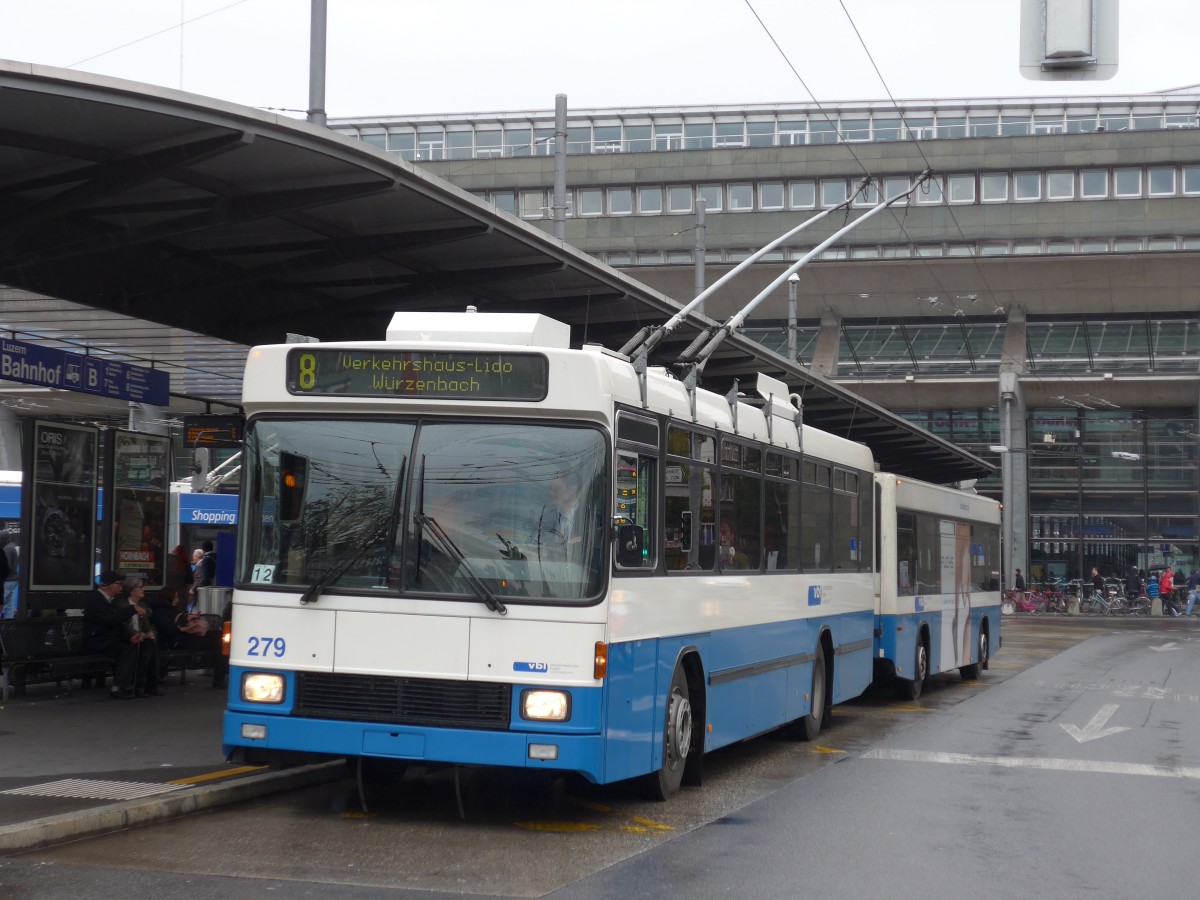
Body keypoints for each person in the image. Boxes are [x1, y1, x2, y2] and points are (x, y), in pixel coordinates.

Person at [82, 570, 147, 699]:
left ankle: (128, 684)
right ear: (108, 585)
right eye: (118, 584)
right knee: (126, 649)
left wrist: (130, 636)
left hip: (107, 640)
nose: (121, 587)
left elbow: (117, 624)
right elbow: (110, 619)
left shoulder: (110, 600)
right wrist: (132, 609)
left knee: (136, 645)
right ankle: (118, 687)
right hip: (96, 641)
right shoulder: (96, 600)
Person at [119, 576, 164, 696]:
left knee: (151, 646)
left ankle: (149, 685)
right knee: (146, 648)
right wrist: (137, 634)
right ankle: (140, 686)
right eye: (140, 588)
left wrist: (148, 632)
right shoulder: (122, 605)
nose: (143, 590)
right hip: (127, 637)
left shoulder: (143, 605)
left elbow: (146, 625)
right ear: (132, 590)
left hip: (141, 636)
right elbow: (122, 625)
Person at [0, 529, 17, 618]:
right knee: (9, 606)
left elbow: (6, 566)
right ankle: (8, 626)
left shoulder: (7, 549)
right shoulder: (12, 546)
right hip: (13, 580)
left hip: (7, 580)